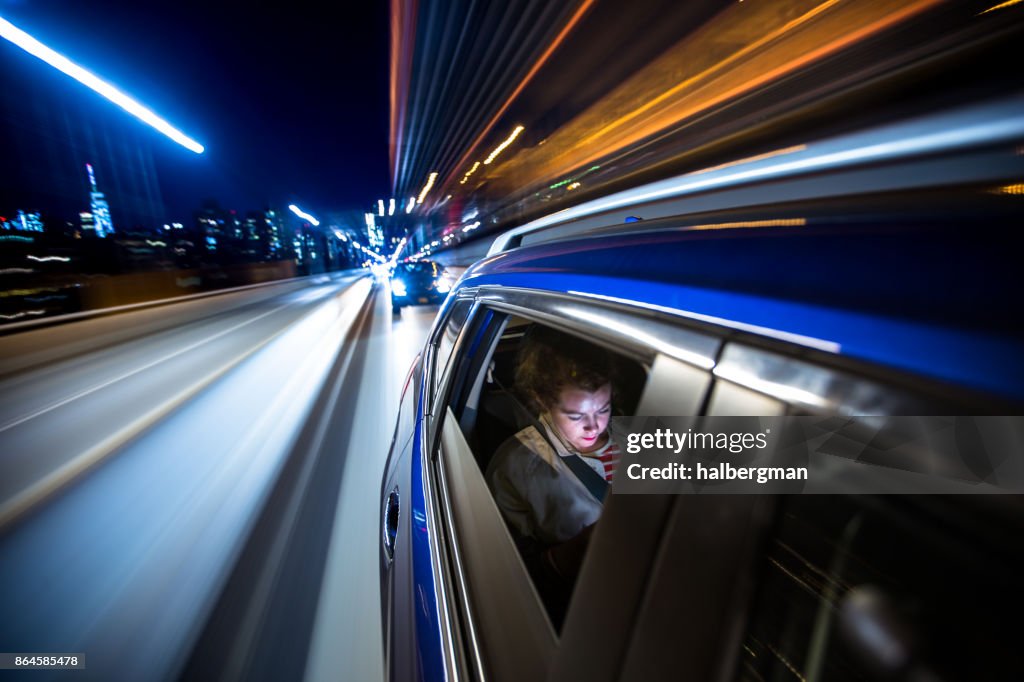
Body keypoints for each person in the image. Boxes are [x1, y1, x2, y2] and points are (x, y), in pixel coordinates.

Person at [485, 327, 621, 621]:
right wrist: (571, 554)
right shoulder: (516, 468)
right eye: (576, 416)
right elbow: (508, 576)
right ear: (542, 399)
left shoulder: (642, 435)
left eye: (604, 409)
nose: (594, 426)